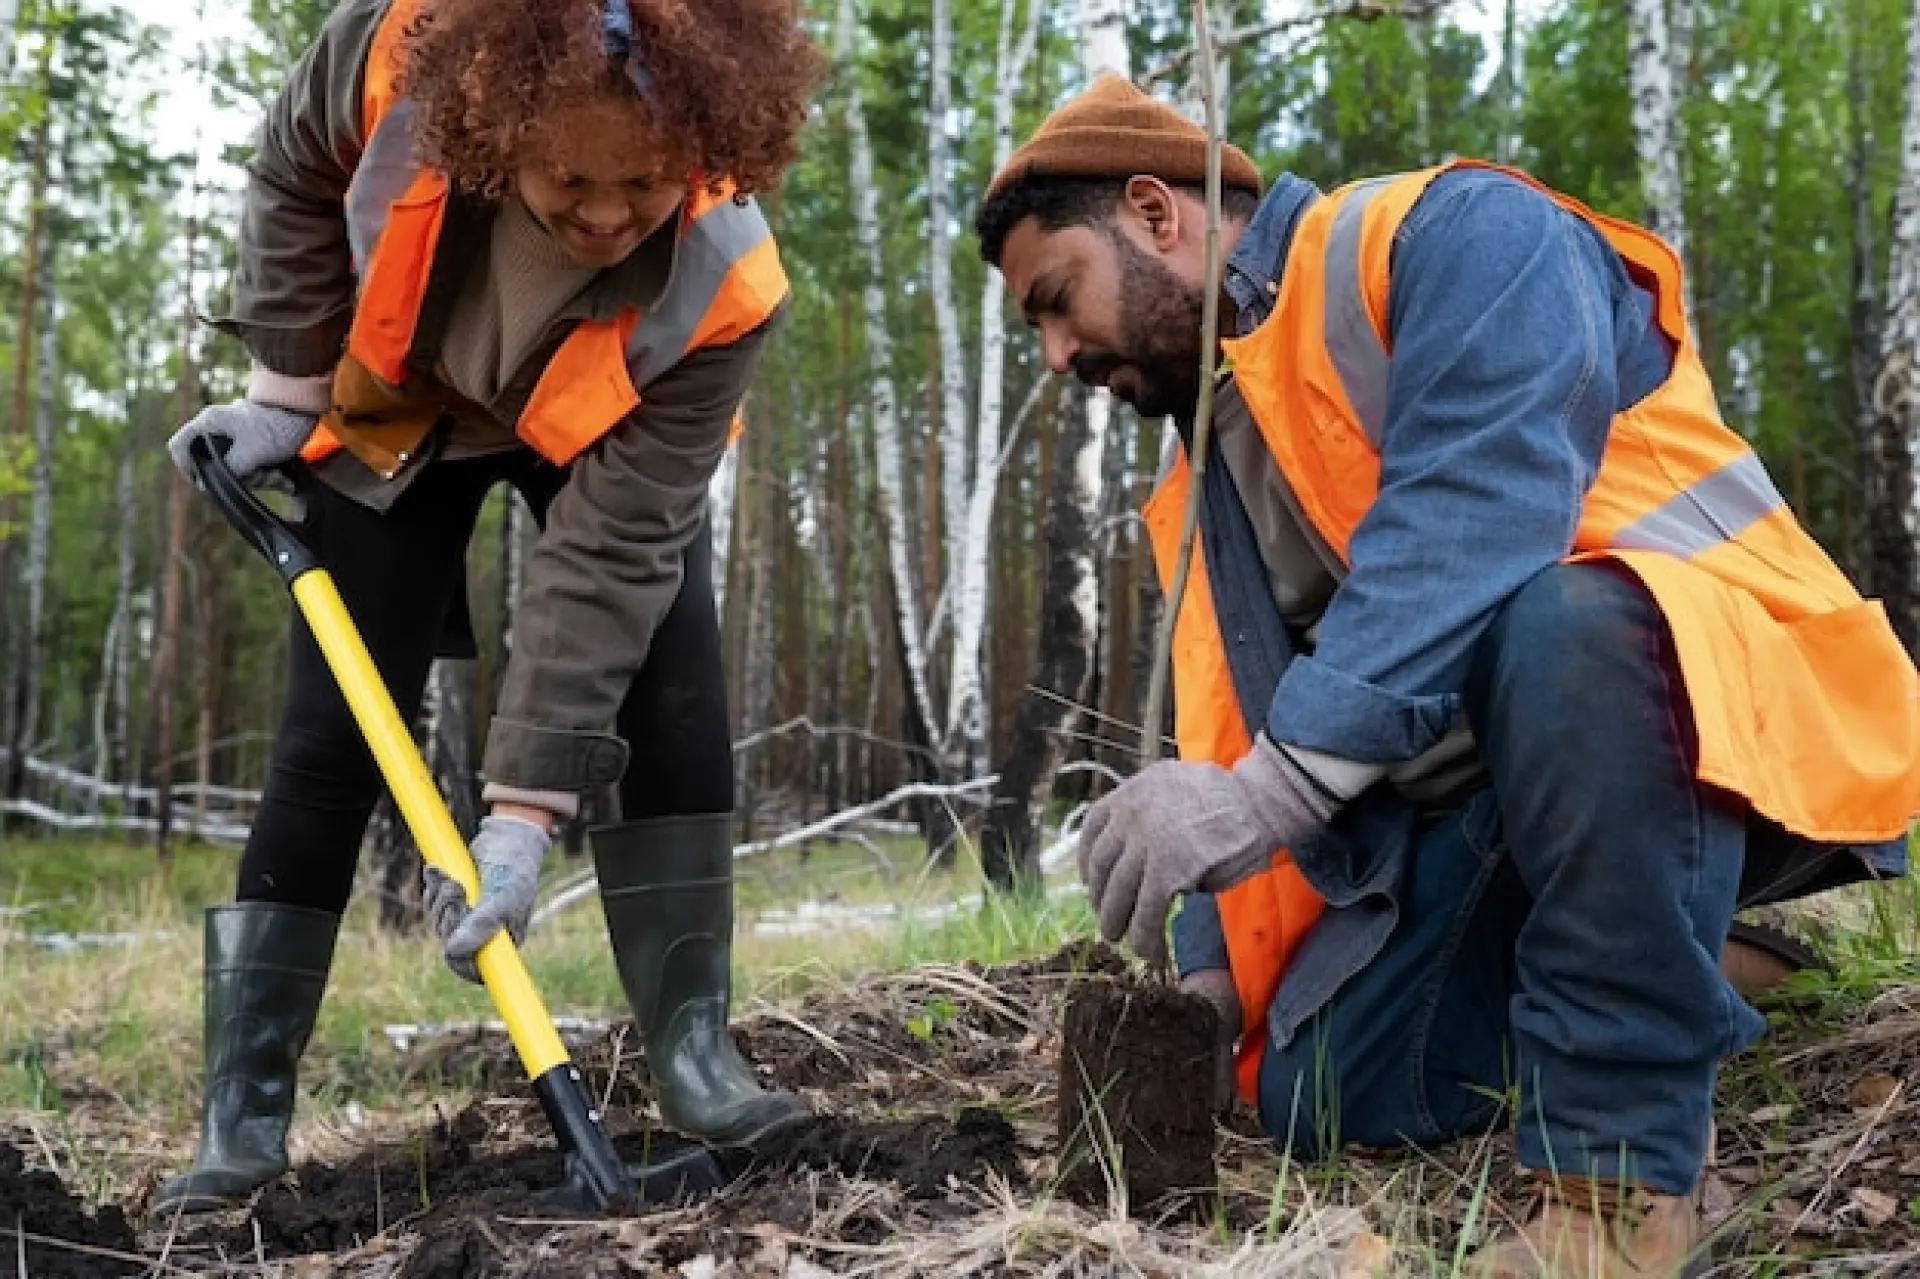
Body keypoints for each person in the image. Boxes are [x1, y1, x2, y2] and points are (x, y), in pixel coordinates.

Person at [974, 76, 1919, 1277]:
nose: (1058, 354)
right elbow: (1228, 726)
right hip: (1495, 815)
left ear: (1157, 214)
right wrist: (1213, 976)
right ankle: (1703, 961)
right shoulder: (1211, 469)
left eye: (1057, 301)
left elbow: (1478, 513)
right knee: (1320, 1096)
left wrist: (1266, 801)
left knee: (1566, 623)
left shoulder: (1454, 237)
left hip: (1720, 714)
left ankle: (1620, 1185)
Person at [152, 0, 822, 1219]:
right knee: (329, 734)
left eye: (647, 181)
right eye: (569, 176)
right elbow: (293, 172)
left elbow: (615, 552)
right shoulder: (392, 60)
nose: (609, 214)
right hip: (403, 409)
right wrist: (286, 391)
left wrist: (520, 814)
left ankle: (696, 1056)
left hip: (600, 434)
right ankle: (240, 1128)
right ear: (494, 124)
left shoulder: (726, 282)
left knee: (671, 677)